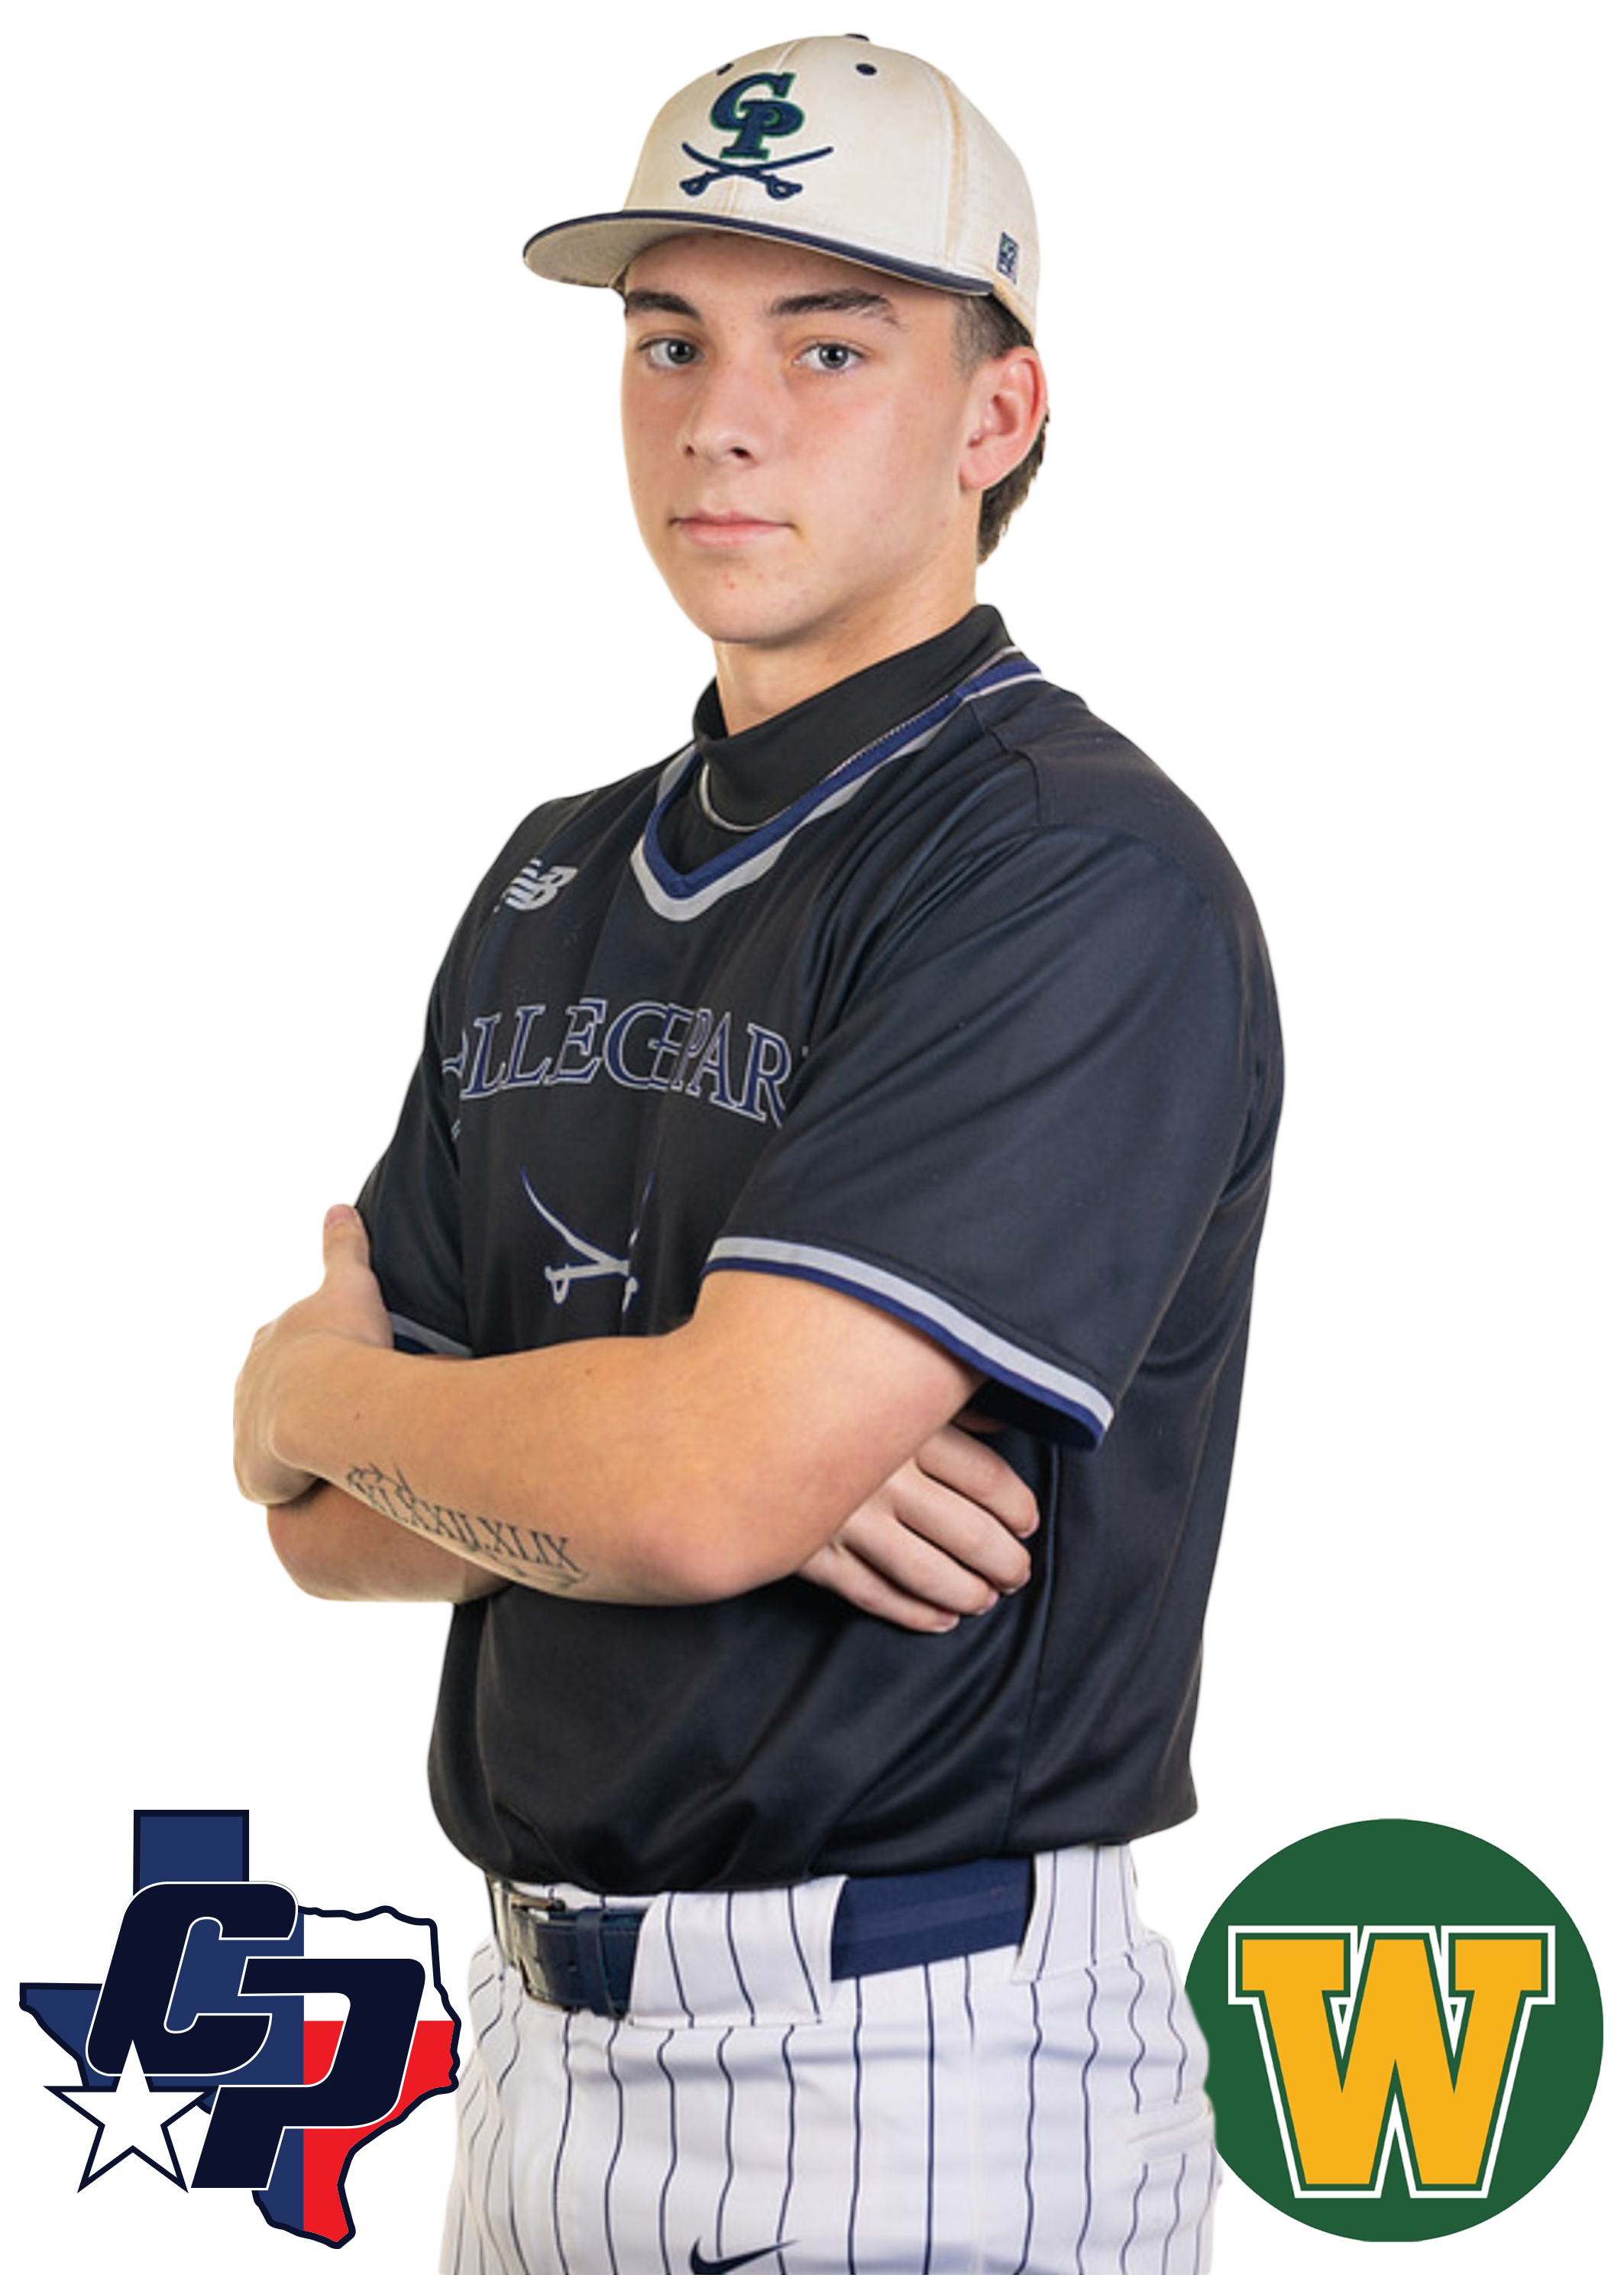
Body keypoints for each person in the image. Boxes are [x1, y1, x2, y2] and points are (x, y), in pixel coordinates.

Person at [234, 33, 1279, 2273]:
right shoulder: (552, 872)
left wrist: (323, 1388)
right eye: (668, 339)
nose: (721, 414)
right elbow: (330, 1550)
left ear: (996, 416)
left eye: (832, 342)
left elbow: (668, 1484)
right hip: (526, 2037)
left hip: (915, 2055)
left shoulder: (1066, 869)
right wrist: (581, 1452)